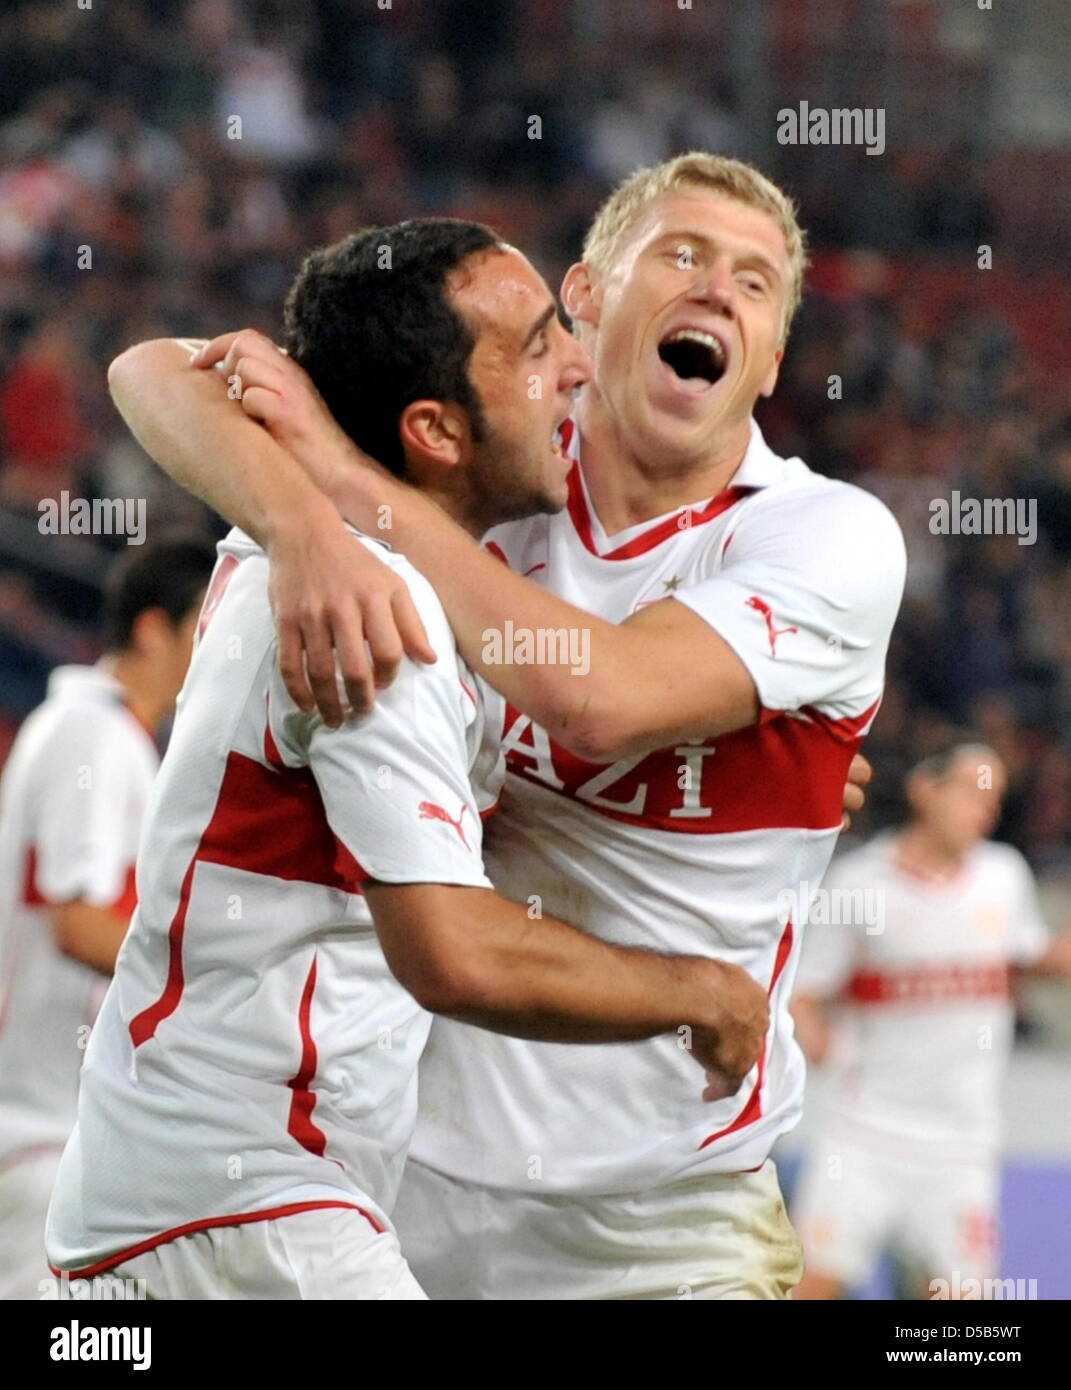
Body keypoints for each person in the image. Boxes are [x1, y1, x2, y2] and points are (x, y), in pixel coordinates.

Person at [101, 151, 904, 1299]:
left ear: (770, 361)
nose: (717, 288)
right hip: (402, 1183)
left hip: (663, 1214)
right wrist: (302, 523)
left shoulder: (825, 536)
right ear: (584, 299)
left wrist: (342, 482)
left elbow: (600, 695)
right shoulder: (486, 461)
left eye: (757, 282)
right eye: (680, 253)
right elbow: (156, 366)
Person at [0, 534, 215, 1299]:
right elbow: (81, 921)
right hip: (46, 1129)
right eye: (205, 629)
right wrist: (217, 987)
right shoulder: (95, 733)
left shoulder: (95, 730)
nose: (216, 652)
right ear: (156, 629)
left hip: (54, 1129)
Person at [790, 742, 1071, 1300]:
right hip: (864, 1131)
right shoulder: (860, 886)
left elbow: (1034, 954)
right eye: (972, 791)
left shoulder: (1003, 876)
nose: (985, 809)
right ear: (925, 789)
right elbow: (805, 989)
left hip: (961, 1146)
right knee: (812, 1285)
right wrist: (815, 1041)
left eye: (994, 799)